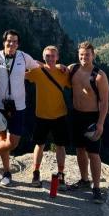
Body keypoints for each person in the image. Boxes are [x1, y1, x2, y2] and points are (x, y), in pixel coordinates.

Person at [0, 29, 40, 186]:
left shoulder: (23, 57)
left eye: (15, 41)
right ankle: (6, 172)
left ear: (18, 44)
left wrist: (59, 67)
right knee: (2, 139)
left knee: (13, 142)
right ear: (4, 42)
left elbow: (38, 67)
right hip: (0, 106)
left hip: (18, 106)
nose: (11, 44)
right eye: (9, 41)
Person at [69, 41, 109, 204]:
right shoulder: (73, 69)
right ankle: (84, 180)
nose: (84, 57)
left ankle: (97, 188)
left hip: (92, 117)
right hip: (76, 115)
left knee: (93, 153)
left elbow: (105, 102)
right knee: (79, 149)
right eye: (81, 55)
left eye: (87, 55)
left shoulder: (99, 76)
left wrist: (100, 123)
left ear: (93, 55)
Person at [26, 45, 70, 190]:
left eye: (53, 56)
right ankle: (36, 172)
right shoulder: (37, 71)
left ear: (57, 57)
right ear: (43, 57)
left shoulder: (62, 73)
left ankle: (61, 173)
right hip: (42, 115)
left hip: (60, 115)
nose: (50, 58)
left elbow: (76, 81)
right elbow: (19, 73)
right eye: (47, 56)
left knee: (60, 146)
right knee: (39, 145)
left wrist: (65, 67)